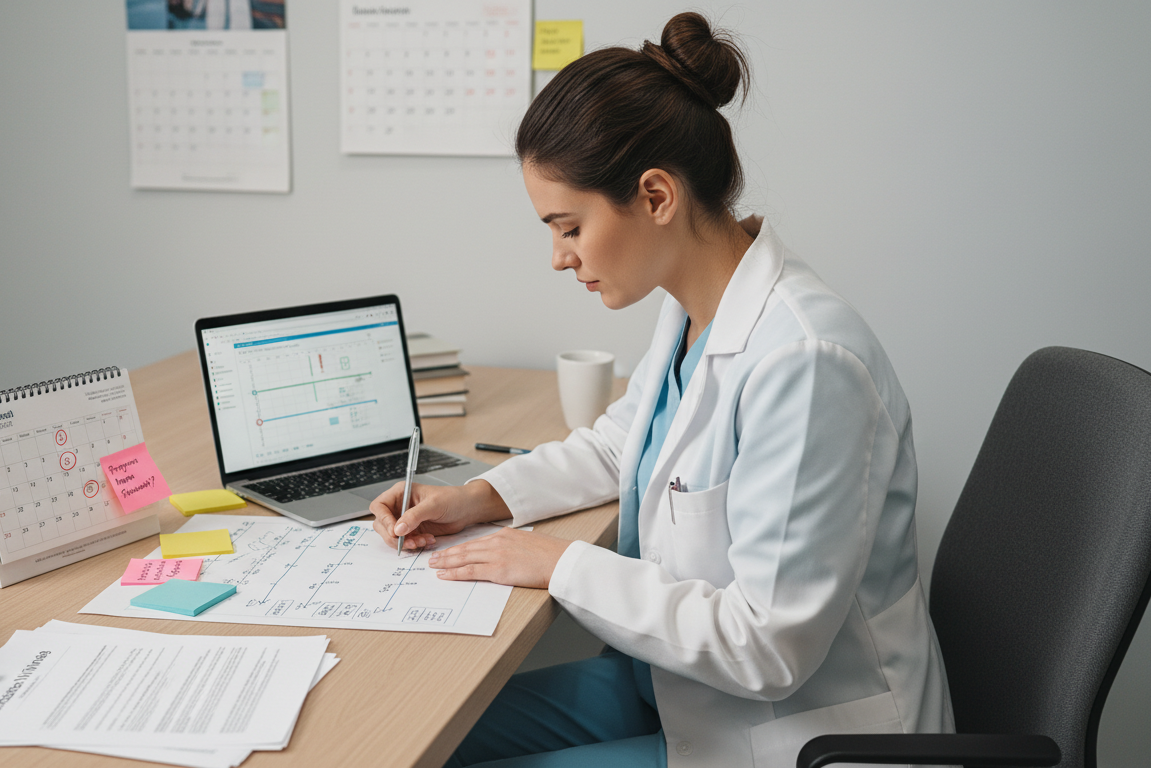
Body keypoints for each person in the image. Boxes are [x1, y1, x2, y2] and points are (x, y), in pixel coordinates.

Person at [370, 11, 953, 768]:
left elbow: (769, 647)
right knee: (416, 735)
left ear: (654, 196)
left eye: (569, 226)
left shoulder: (806, 362)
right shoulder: (695, 306)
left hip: (789, 731)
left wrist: (557, 563)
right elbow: (625, 445)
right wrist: (479, 499)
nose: (557, 257)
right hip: (676, 688)